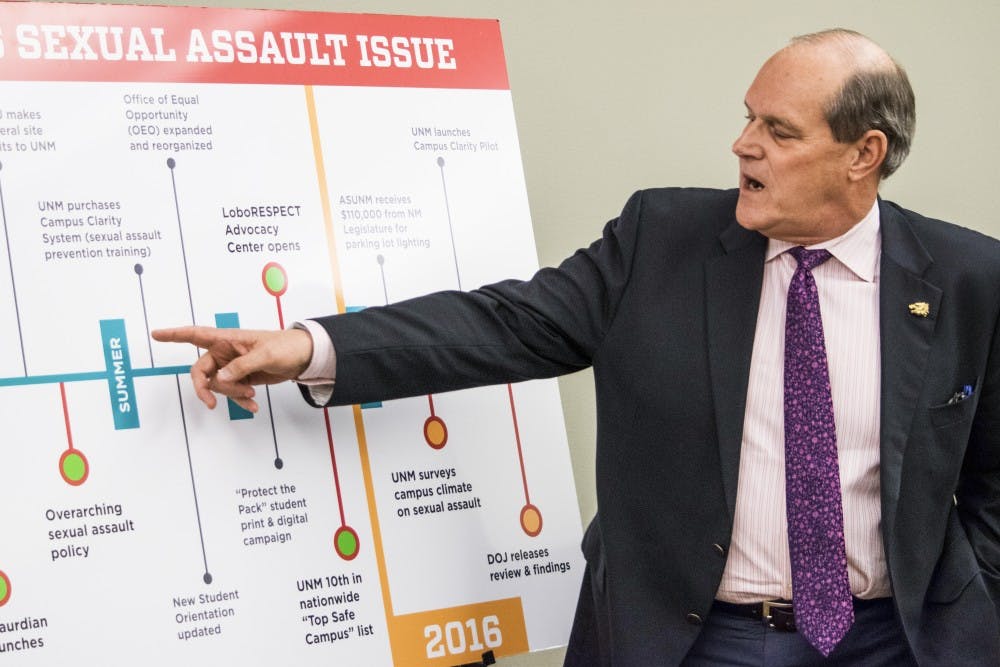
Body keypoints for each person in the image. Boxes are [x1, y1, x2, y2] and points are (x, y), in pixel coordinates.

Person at [153, 29, 1000, 666]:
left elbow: (988, 471)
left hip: (893, 640)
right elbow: (504, 323)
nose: (743, 144)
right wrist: (309, 346)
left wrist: (979, 596)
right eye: (747, 117)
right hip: (696, 638)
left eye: (779, 130)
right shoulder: (662, 238)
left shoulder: (968, 275)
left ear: (865, 155)